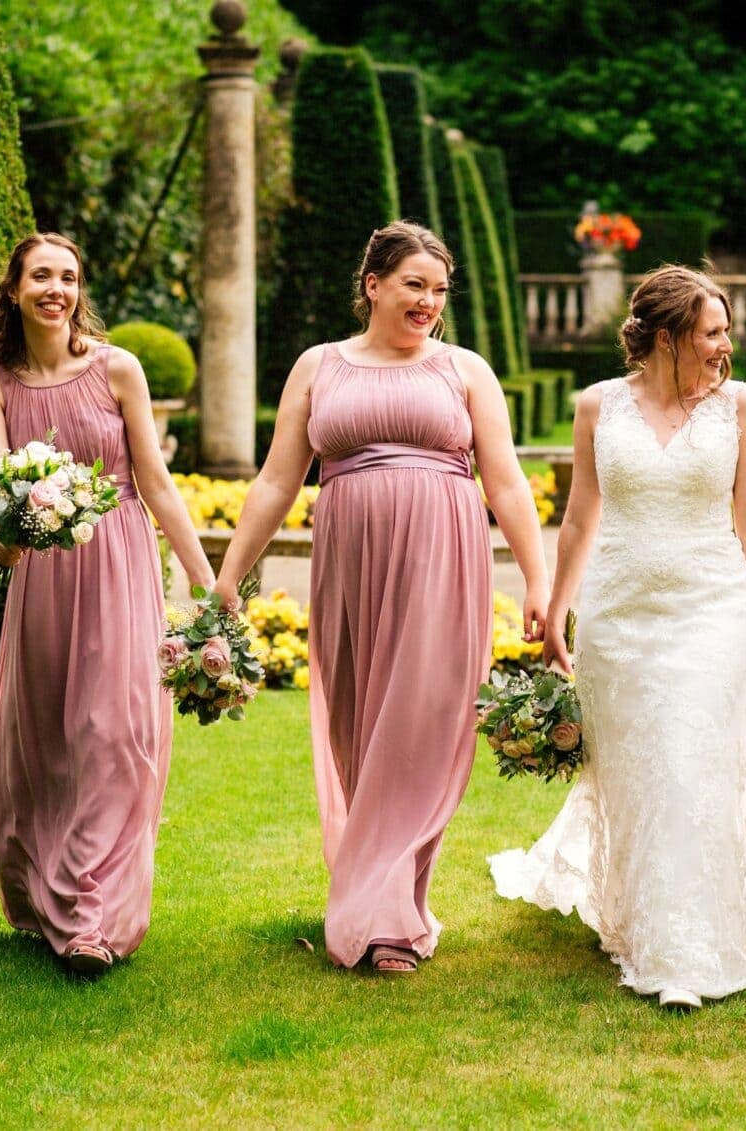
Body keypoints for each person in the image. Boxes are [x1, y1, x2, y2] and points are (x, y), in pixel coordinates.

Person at [489, 265, 746, 1010]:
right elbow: (581, 517)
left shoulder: (741, 407)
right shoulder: (597, 406)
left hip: (708, 607)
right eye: (711, 332)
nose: (724, 345)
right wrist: (554, 605)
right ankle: (638, 910)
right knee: (635, 768)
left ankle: (686, 948)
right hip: (619, 612)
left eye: (724, 331)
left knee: (689, 755)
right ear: (667, 336)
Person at [214, 222, 549, 974]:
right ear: (373, 285)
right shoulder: (318, 365)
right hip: (351, 559)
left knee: (422, 725)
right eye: (413, 286)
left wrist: (538, 578)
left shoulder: (464, 370)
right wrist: (231, 572)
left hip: (442, 557)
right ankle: (376, 888)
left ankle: (391, 915)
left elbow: (506, 481)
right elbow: (276, 478)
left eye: (439, 290)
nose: (429, 302)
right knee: (361, 724)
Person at [0, 232, 216, 975]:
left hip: (118, 562)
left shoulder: (118, 367)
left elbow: (156, 482)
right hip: (44, 573)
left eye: (69, 277)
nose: (57, 288)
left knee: (111, 731)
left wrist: (208, 584)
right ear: (14, 289)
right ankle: (45, 894)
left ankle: (92, 920)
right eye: (41, 275)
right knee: (46, 737)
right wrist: (7, 538)